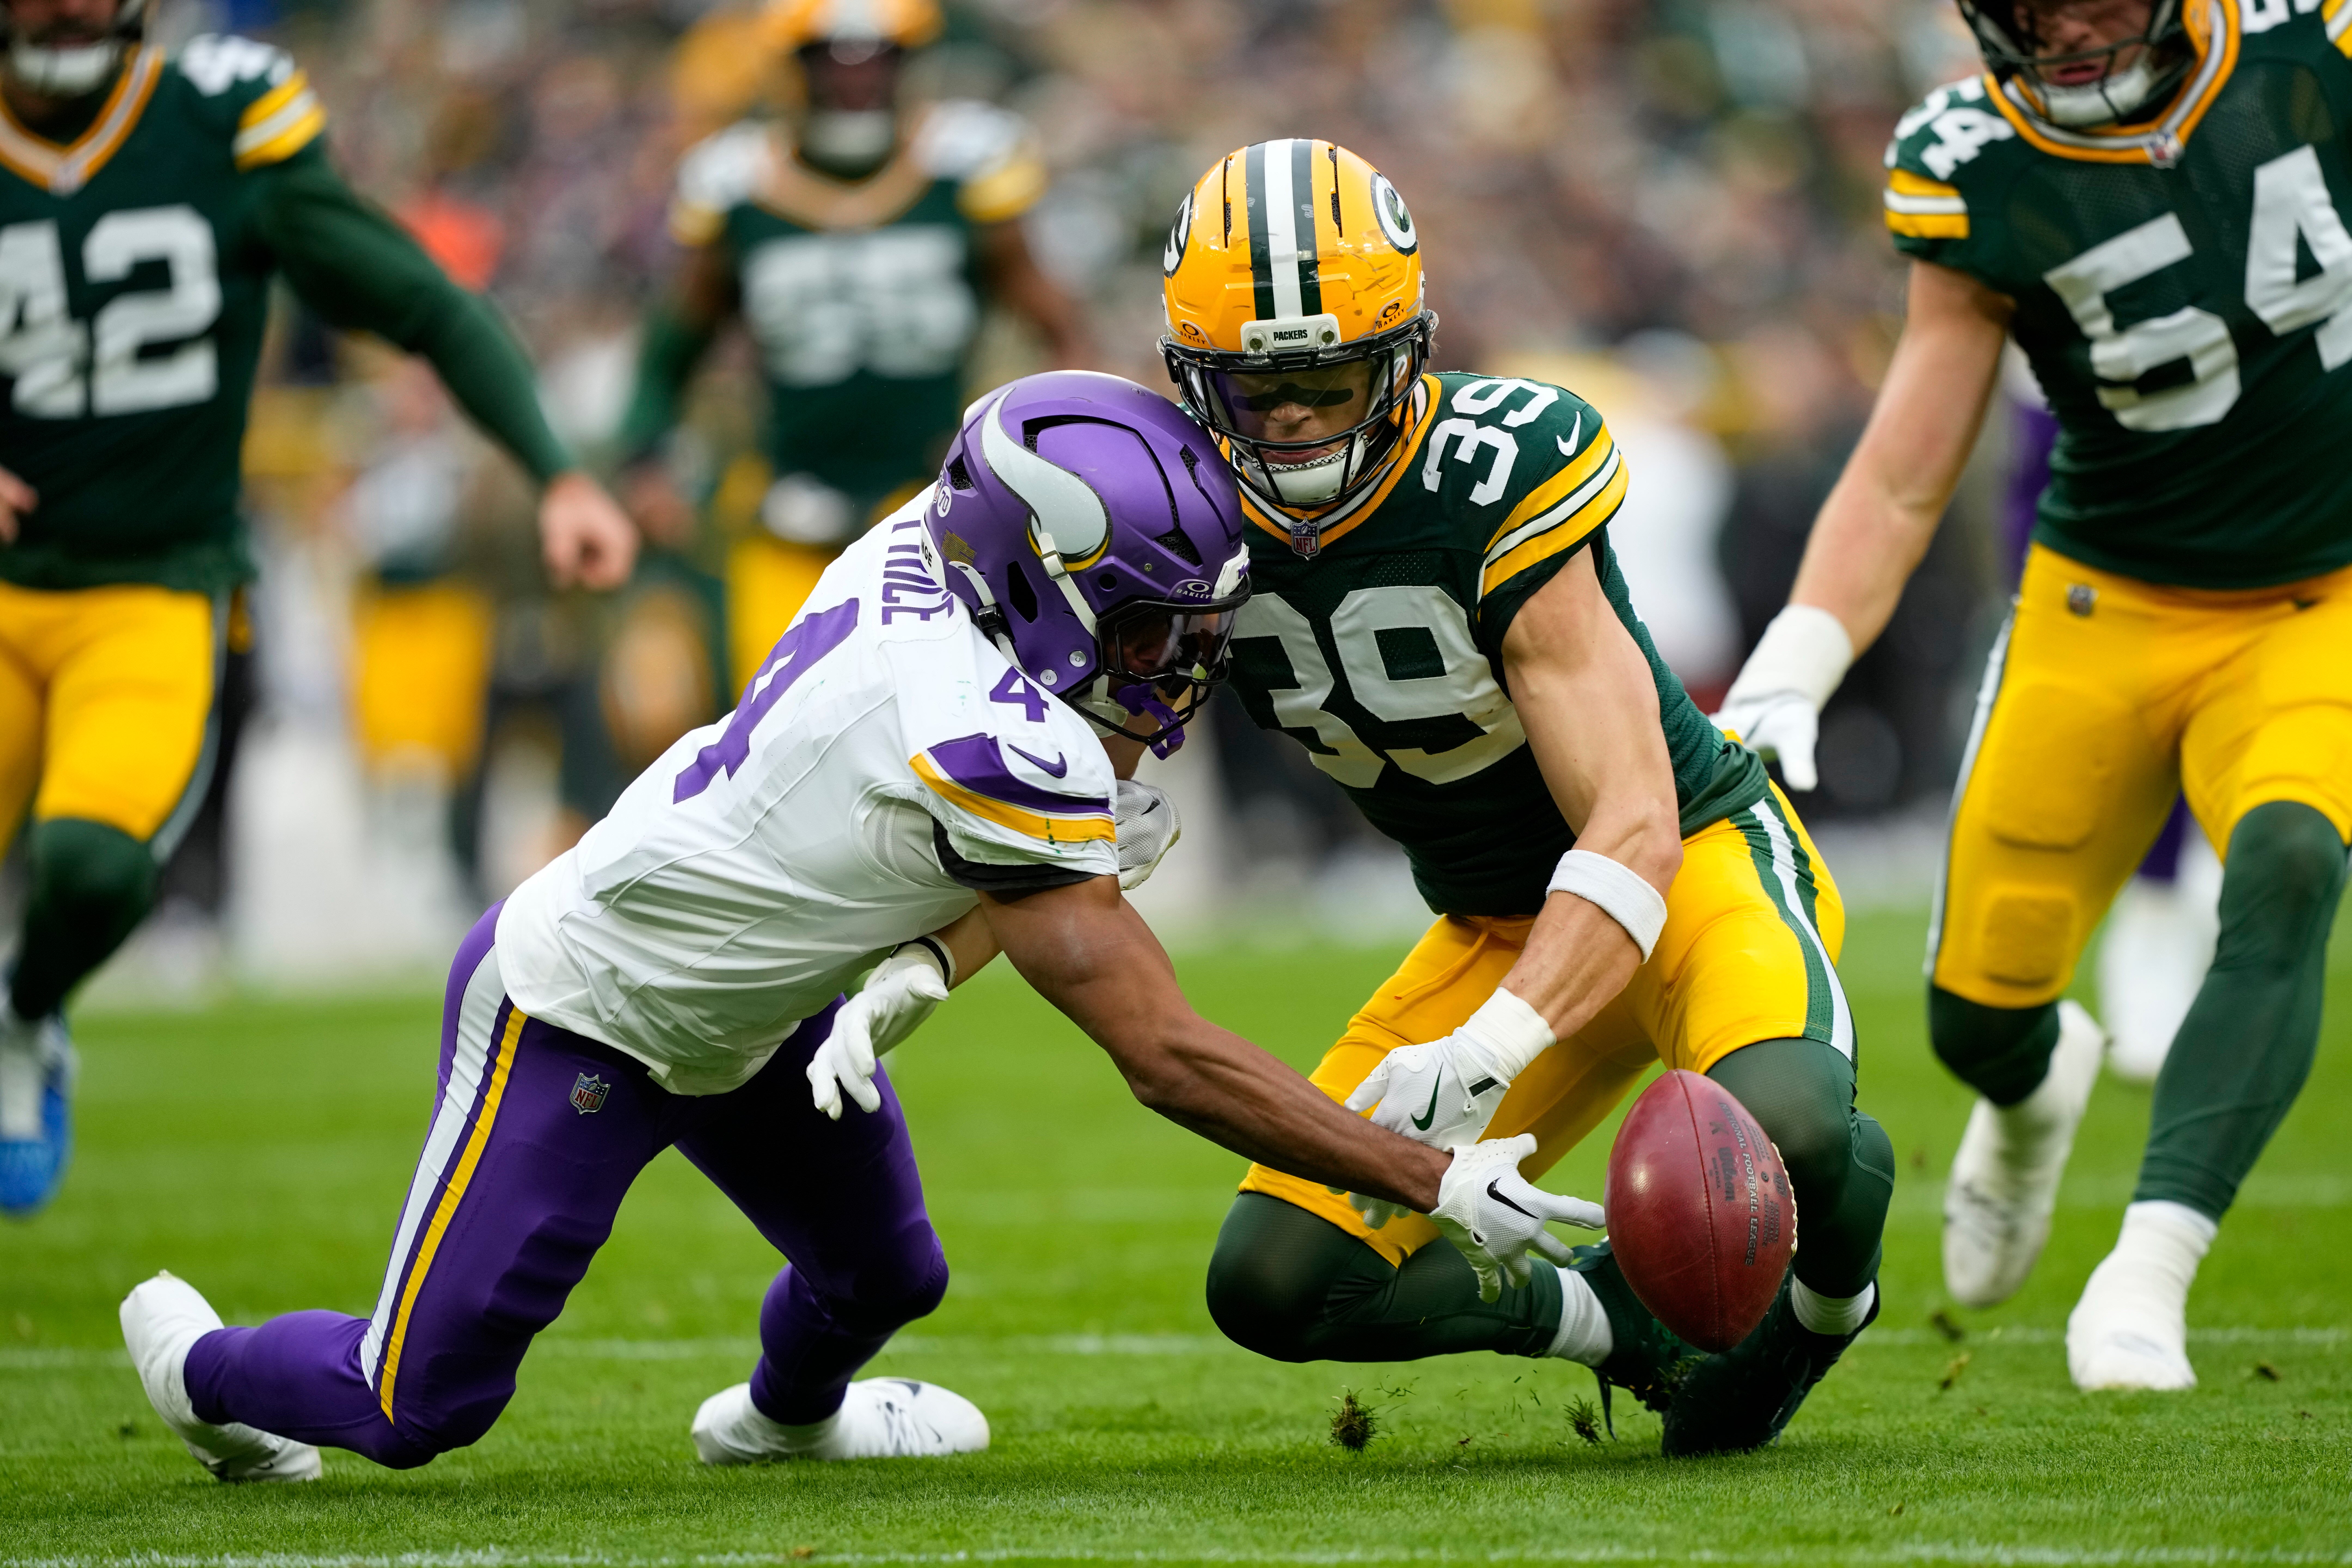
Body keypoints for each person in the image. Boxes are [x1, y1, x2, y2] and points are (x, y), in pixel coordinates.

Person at [118, 373, 1595, 1483]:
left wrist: (914, 956)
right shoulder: (976, 730)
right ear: (1042, 581)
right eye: (1151, 628)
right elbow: (1162, 1053)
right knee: (416, 1406)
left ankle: (778, 1424)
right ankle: (204, 1371)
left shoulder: (938, 559)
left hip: (773, 1002)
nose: (1177, 665)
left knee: (889, 1280)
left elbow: (995, 865)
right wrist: (1428, 1177)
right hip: (591, 997)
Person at [1145, 142, 1892, 1456]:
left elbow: (1635, 821)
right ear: (1195, 378)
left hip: (1685, 870)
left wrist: (1493, 1043)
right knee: (1273, 1279)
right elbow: (1051, 786)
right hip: (1494, 920)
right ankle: (1609, 1318)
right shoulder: (1167, 511)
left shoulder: (1497, 468)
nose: (1300, 421)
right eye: (1258, 391)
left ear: (1406, 351)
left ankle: (1832, 1298)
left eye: (1328, 380)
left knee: (1785, 1137)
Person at [1713, 0, 2352, 1391]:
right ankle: (2034, 1086)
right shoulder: (1969, 158)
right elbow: (1901, 469)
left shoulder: (2315, 50)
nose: (2067, 31)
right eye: (2033, 2)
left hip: (2323, 593)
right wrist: (1796, 662)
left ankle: (2148, 1272)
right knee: (1975, 1016)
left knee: (2294, 857)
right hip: (2102, 603)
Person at [0, 0, 638, 1216]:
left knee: (91, 868)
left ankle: (26, 1018)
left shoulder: (214, 122)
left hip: (151, 586)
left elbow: (422, 302)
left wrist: (555, 471)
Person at [618, 0, 1090, 699]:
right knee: (777, 727)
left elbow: (1059, 327)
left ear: (908, 63)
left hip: (935, 510)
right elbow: (671, 351)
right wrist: (645, 460)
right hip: (789, 503)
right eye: (832, 61)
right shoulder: (738, 186)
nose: (855, 81)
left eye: (876, 59)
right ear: (794, 67)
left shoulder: (963, 168)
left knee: (950, 717)